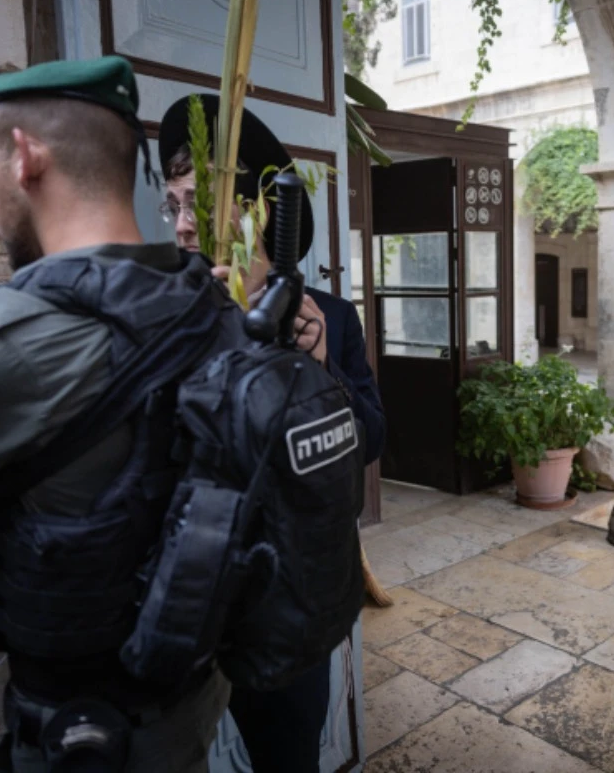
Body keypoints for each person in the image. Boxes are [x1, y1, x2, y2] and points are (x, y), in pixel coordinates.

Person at [0, 56, 252, 772]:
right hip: (188, 700)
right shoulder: (205, 299)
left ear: (25, 157)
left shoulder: (25, 333)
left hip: (84, 730)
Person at [157, 93, 385, 773]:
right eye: (171, 206)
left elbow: (369, 439)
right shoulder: (166, 317)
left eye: (198, 200)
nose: (181, 228)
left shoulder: (333, 318)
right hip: (188, 603)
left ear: (256, 207)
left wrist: (318, 374)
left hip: (289, 601)